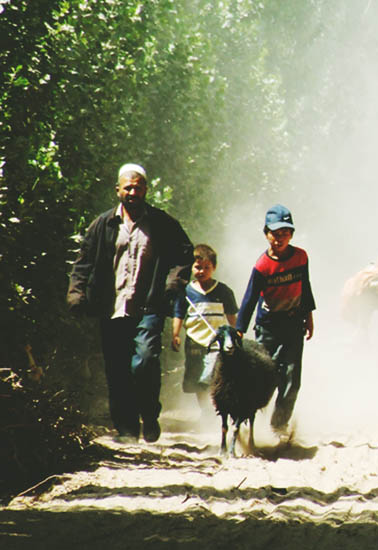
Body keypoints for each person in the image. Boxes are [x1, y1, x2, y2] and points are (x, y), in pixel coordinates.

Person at [66, 163, 194, 443]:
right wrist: (76, 293)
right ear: (118, 190)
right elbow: (83, 261)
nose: (133, 191)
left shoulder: (162, 223)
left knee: (145, 362)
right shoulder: (103, 224)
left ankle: (149, 415)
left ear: (146, 189)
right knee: (117, 369)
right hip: (112, 308)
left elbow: (185, 254)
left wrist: (174, 283)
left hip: (148, 306)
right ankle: (126, 429)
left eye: (138, 186)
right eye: (128, 187)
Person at [236, 204, 316, 433]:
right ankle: (246, 422)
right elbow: (249, 298)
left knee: (291, 379)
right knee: (262, 377)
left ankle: (279, 426)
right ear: (266, 234)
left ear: (291, 234)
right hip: (268, 327)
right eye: (275, 234)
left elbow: (305, 287)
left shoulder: (301, 257)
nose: (279, 239)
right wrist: (240, 330)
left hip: (293, 324)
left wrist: (309, 317)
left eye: (285, 233)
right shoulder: (262, 266)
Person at [170, 244, 238, 415]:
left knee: (216, 375)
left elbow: (231, 315)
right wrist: (176, 334)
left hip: (217, 342)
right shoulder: (185, 291)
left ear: (214, 268)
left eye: (207, 267)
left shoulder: (223, 291)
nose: (202, 271)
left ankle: (218, 408)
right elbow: (178, 313)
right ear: (192, 268)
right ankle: (206, 411)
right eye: (198, 267)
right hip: (194, 341)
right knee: (197, 378)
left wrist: (236, 334)